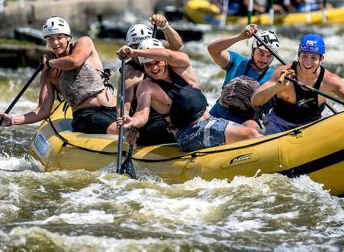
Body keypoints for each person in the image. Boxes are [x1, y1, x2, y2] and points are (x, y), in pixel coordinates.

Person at [117, 39, 262, 151]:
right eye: (148, 65)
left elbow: (168, 54)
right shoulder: (146, 86)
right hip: (190, 134)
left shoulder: (182, 65)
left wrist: (135, 52)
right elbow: (142, 113)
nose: (154, 68)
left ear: (164, 61)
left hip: (211, 121)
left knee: (252, 127)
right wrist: (133, 121)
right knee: (250, 134)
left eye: (157, 62)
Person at [0, 16, 118, 134]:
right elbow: (42, 111)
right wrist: (12, 120)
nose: (55, 42)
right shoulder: (48, 74)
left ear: (68, 38)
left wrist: (49, 63)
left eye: (59, 37)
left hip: (113, 109)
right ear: (47, 43)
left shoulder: (84, 43)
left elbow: (74, 62)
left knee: (133, 129)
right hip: (86, 116)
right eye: (50, 38)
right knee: (119, 130)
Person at [251, 34, 344, 135]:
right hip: (278, 124)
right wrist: (277, 87)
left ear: (321, 59)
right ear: (298, 55)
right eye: (304, 56)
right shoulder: (283, 72)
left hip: (310, 128)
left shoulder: (330, 81)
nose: (308, 62)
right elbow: (255, 100)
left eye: (313, 57)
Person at [120, 14, 183, 146]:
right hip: (150, 123)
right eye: (136, 47)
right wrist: (127, 132)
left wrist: (165, 26)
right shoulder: (130, 74)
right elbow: (122, 111)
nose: (141, 50)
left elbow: (177, 45)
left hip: (171, 114)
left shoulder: (158, 51)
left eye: (143, 45)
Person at [207, 25, 279, 127]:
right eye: (261, 53)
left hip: (244, 123)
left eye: (269, 56)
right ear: (253, 50)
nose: (264, 60)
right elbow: (212, 49)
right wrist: (240, 37)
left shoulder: (275, 77)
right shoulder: (237, 61)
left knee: (252, 125)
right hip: (217, 114)